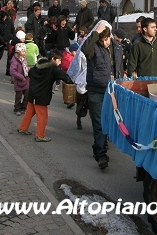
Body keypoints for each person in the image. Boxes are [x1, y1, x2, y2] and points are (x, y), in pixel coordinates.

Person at [83, 22, 124, 169]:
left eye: (106, 39)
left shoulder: (116, 47)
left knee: (109, 121)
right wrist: (95, 34)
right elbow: (84, 50)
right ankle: (100, 154)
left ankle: (100, 145)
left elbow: (119, 66)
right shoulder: (94, 47)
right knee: (99, 123)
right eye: (102, 39)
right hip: (96, 90)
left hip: (113, 90)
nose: (105, 42)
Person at [17, 50, 74, 142]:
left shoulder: (37, 66)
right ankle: (40, 135)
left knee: (29, 112)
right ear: (53, 59)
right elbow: (65, 77)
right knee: (42, 116)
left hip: (32, 93)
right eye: (59, 60)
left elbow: (30, 73)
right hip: (42, 95)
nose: (60, 63)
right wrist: (72, 82)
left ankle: (22, 128)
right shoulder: (53, 70)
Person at [10, 43, 30, 116]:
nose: (24, 53)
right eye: (22, 51)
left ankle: (24, 107)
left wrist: (28, 70)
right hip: (19, 80)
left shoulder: (24, 58)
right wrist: (21, 77)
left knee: (27, 95)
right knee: (19, 96)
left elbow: (26, 66)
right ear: (18, 52)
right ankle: (17, 108)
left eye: (24, 51)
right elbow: (12, 71)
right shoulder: (14, 60)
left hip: (26, 79)